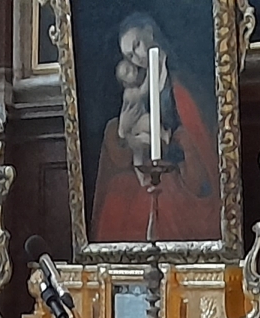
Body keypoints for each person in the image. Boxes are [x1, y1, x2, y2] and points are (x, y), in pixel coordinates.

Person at [90, 13, 220, 244]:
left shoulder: (180, 76)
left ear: (150, 33)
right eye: (129, 55)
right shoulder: (140, 84)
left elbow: (196, 130)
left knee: (164, 197)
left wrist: (173, 139)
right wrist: (123, 133)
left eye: (137, 45)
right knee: (117, 191)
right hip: (154, 159)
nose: (136, 58)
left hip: (184, 167)